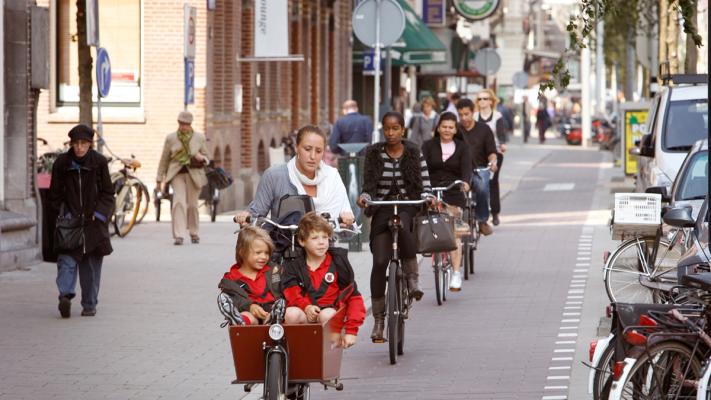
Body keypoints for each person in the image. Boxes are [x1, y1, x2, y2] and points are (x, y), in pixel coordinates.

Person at [356, 111, 432, 342]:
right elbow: (368, 185)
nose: (390, 133)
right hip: (382, 207)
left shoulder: (414, 151)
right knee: (380, 261)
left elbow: (425, 182)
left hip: (408, 205)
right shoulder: (374, 153)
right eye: (387, 129)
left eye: (395, 128)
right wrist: (365, 197)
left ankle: (412, 279)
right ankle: (379, 321)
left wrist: (428, 196)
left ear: (402, 130)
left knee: (404, 226)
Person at [49, 124, 114, 318]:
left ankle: (89, 304)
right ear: (71, 144)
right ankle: (65, 296)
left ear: (90, 144)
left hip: (93, 224)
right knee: (66, 262)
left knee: (91, 267)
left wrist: (100, 214)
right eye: (76, 143)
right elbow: (54, 194)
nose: (79, 147)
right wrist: (63, 214)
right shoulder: (62, 163)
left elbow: (108, 193)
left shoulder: (99, 162)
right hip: (69, 224)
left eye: (83, 143)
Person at [234, 125, 355, 228]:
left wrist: (347, 221)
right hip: (284, 244)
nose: (313, 156)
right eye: (307, 149)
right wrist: (246, 217)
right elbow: (256, 215)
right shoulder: (275, 175)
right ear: (296, 148)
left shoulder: (332, 176)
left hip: (324, 246)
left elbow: (347, 232)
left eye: (318, 151)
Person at [281, 212, 365, 348]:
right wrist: (306, 307)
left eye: (325, 237)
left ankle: (325, 354)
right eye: (314, 238)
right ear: (302, 241)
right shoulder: (293, 265)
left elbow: (354, 297)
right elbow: (291, 293)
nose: (321, 242)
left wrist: (351, 331)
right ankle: (295, 352)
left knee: (327, 315)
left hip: (330, 316)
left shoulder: (339, 263)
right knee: (291, 313)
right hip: (305, 314)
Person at [420, 112, 471, 291]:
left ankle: (456, 273)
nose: (447, 130)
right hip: (431, 191)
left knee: (454, 234)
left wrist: (466, 182)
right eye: (444, 127)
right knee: (426, 223)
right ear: (438, 128)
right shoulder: (428, 146)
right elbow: (421, 168)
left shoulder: (462, 147)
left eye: (451, 127)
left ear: (455, 130)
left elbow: (467, 169)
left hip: (453, 192)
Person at [156, 111, 209, 245]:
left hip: (194, 174)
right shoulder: (171, 138)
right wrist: (159, 179)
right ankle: (179, 235)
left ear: (190, 124)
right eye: (181, 123)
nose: (183, 127)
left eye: (186, 124)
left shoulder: (199, 137)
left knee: (192, 205)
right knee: (178, 202)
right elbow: (164, 159)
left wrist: (201, 157)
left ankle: (194, 232)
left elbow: (207, 157)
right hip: (176, 174)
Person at [217, 225, 281, 326]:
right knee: (247, 316)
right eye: (258, 253)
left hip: (272, 312)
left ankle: (273, 319)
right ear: (242, 252)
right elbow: (234, 299)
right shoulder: (231, 278)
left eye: (267, 253)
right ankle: (238, 320)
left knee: (275, 316)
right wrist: (250, 306)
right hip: (249, 312)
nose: (264, 257)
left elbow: (282, 291)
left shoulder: (273, 271)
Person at [455, 98, 498, 236]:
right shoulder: (455, 129)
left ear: (473, 112)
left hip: (479, 168)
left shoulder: (484, 129)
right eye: (460, 115)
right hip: (459, 169)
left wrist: (493, 162)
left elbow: (491, 151)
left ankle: (482, 220)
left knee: (482, 187)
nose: (463, 118)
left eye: (466, 114)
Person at [474, 89, 507, 226]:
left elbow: (501, 134)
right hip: (478, 153)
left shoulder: (497, 116)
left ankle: (495, 212)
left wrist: (502, 144)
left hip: (494, 152)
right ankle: (476, 211)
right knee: (477, 181)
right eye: (480, 99)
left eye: (485, 98)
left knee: (493, 182)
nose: (482, 101)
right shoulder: (474, 116)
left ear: (491, 101)